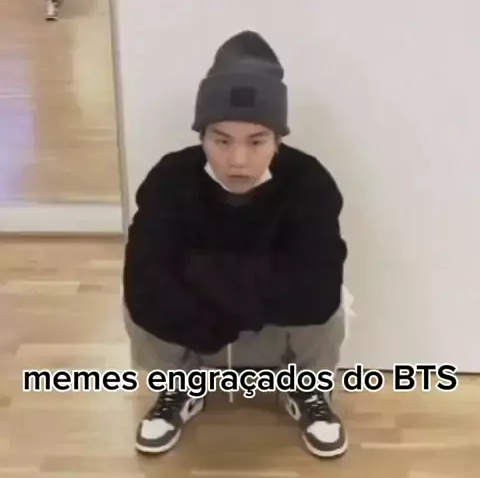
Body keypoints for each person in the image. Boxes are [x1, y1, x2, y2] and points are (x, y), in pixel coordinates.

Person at [122, 30, 349, 459]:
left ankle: (307, 388)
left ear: (278, 139)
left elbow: (316, 292)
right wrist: (256, 284)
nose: (238, 160)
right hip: (202, 331)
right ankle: (179, 386)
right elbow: (144, 285)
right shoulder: (169, 179)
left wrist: (200, 273)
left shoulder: (310, 182)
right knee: (133, 305)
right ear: (202, 136)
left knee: (333, 303)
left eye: (256, 141)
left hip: (274, 332)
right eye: (222, 140)